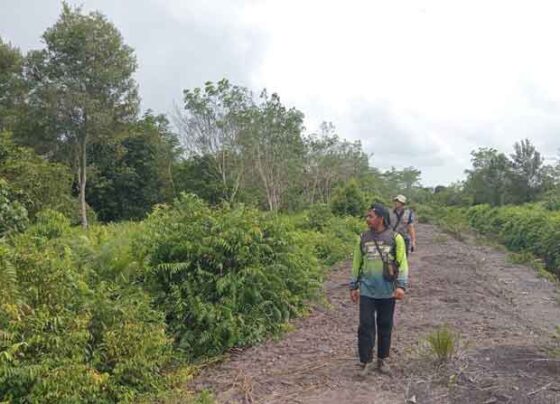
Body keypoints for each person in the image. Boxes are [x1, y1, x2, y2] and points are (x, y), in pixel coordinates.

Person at [350, 203, 408, 376]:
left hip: (388, 291)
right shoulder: (362, 238)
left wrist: (401, 286)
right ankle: (365, 361)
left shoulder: (395, 238)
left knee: (385, 325)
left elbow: (403, 263)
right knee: (365, 325)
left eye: (370, 216)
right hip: (367, 290)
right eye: (367, 216)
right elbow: (356, 264)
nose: (367, 219)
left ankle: (382, 359)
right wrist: (353, 286)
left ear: (381, 218)